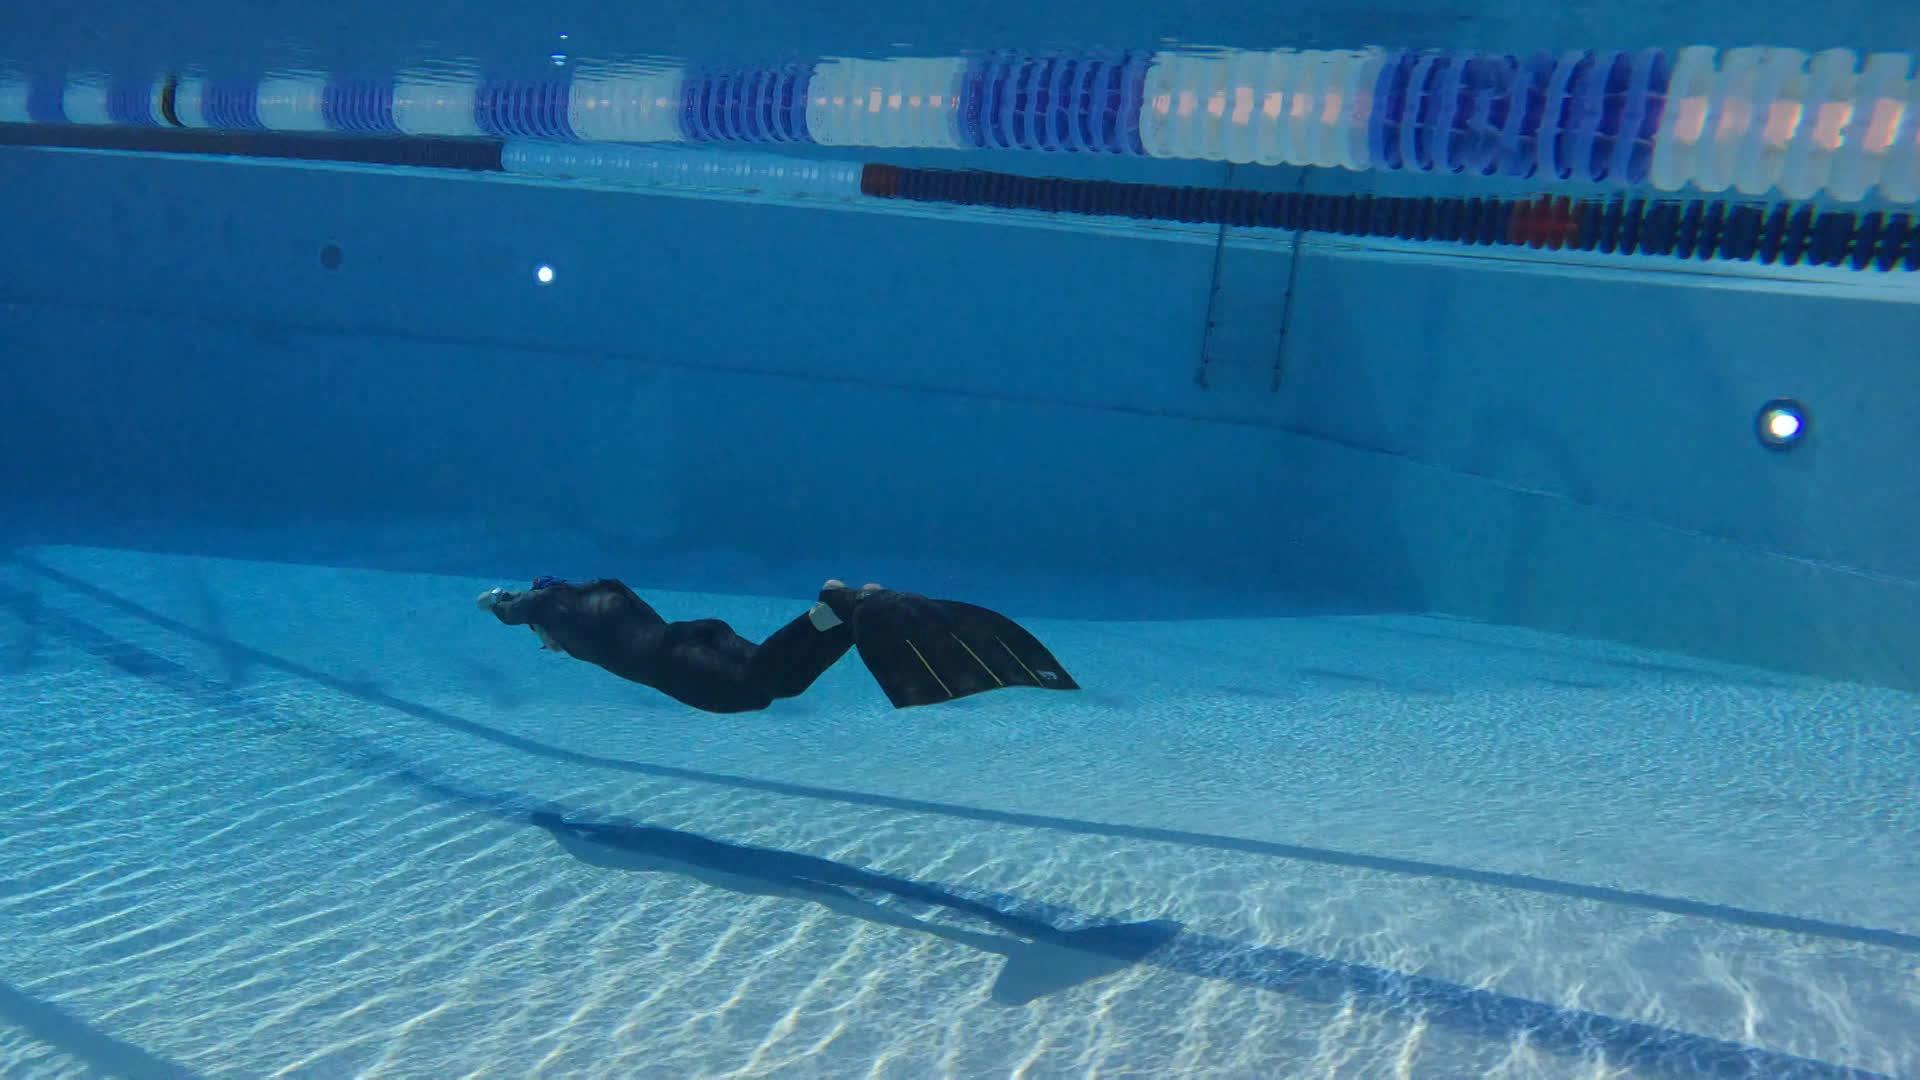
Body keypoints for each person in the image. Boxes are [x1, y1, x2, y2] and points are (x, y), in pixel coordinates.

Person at [477, 576, 1077, 713]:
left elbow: (514, 611)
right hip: (691, 633)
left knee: (765, 687)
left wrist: (501, 602)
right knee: (772, 677)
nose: (545, 645)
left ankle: (835, 612)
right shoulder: (601, 591)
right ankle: (834, 615)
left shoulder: (557, 608)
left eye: (542, 639)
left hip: (673, 663)